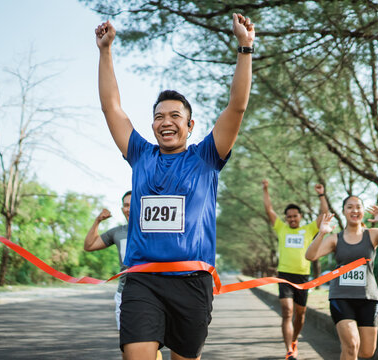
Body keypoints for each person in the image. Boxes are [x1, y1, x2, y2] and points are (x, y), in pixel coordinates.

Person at [95, 13, 254, 360]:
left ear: (190, 124)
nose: (165, 122)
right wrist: (105, 51)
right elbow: (112, 108)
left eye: (174, 117)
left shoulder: (207, 157)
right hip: (142, 280)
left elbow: (237, 107)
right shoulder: (140, 154)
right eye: (158, 117)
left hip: (191, 284)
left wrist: (245, 48)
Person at [305, 196, 378, 360]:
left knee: (367, 351)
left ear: (362, 210)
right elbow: (310, 255)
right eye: (350, 207)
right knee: (351, 345)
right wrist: (321, 233)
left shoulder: (373, 235)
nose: (354, 210)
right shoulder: (335, 239)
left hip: (368, 297)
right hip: (341, 297)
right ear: (343, 212)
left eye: (358, 207)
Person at [261, 179, 329, 360]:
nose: (292, 219)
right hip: (284, 276)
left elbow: (325, 214)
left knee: (300, 315)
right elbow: (269, 210)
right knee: (287, 311)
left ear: (300, 216)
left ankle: (294, 340)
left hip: (303, 277)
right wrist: (265, 189)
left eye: (295, 216)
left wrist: (321, 195)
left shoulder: (308, 229)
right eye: (289, 216)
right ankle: (289, 351)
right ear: (286, 219)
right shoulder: (281, 229)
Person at [83, 190, 131, 331]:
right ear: (122, 209)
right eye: (126, 205)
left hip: (151, 291)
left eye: (133, 205)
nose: (129, 209)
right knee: (127, 345)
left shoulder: (154, 231)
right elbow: (89, 245)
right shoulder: (118, 232)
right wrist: (97, 221)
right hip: (124, 293)